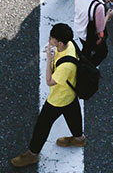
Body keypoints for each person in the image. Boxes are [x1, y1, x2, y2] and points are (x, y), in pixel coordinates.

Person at [9, 23, 83, 165]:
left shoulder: (66, 65)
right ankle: (79, 139)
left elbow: (49, 81)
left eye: (52, 38)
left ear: (60, 43)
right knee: (73, 114)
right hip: (70, 93)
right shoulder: (70, 45)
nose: (49, 40)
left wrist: (49, 59)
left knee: (42, 125)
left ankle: (32, 153)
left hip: (59, 98)